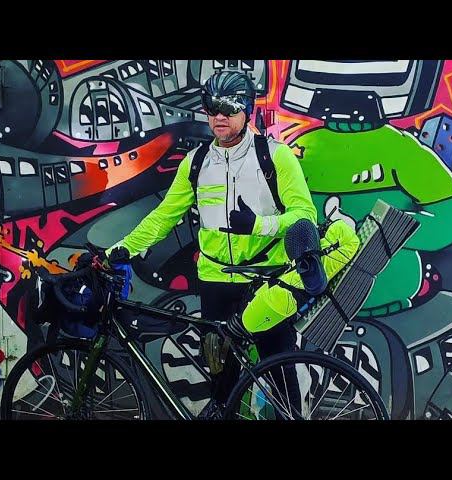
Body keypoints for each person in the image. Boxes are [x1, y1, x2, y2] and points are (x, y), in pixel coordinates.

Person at [107, 70, 357, 419]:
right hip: (215, 282)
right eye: (211, 107)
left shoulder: (274, 157)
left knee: (279, 370)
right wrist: (120, 250)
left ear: (247, 110)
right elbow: (163, 217)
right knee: (221, 379)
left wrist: (259, 225)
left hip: (266, 281)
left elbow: (303, 215)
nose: (219, 115)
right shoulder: (196, 163)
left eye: (228, 107)